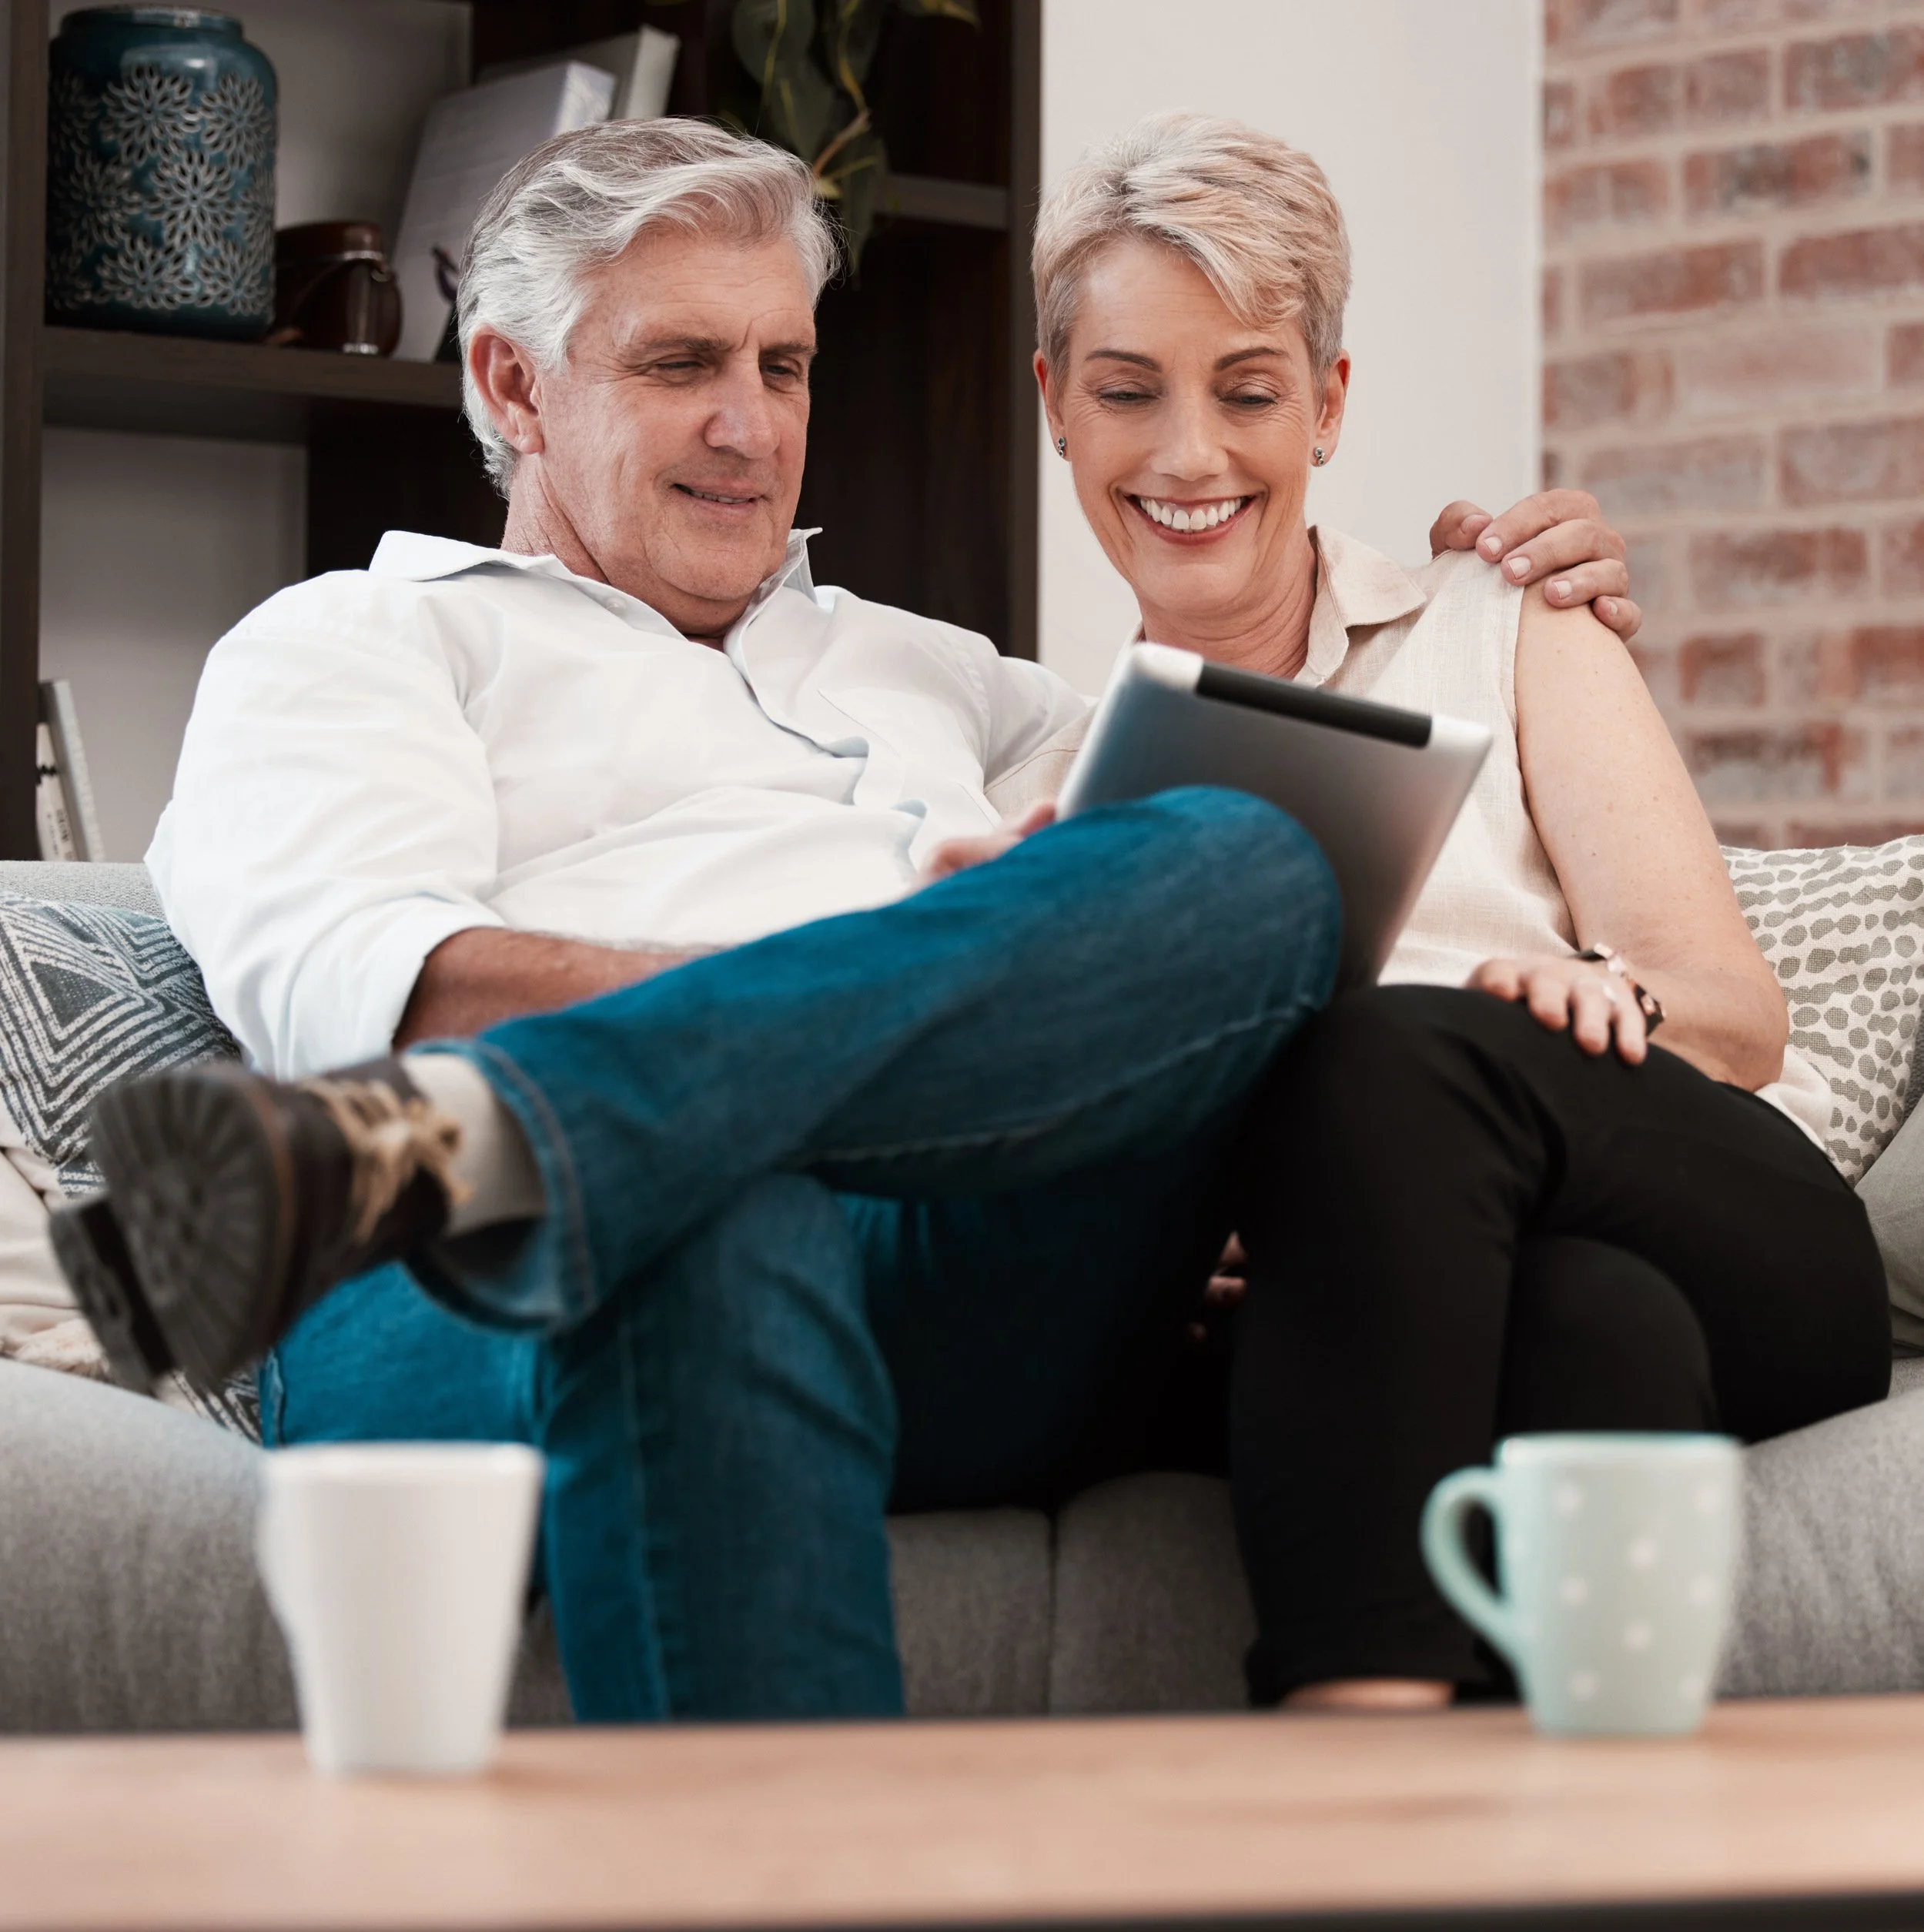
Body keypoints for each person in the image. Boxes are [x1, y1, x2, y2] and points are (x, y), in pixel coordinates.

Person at [55, 118, 1641, 1724]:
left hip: (946, 1276)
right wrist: (872, 1009)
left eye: (785, 366)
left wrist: (1498, 609)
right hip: (461, 1267)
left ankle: (509, 1131)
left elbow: (1201, 888)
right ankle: (499, 1156)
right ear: (512, 386)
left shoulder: (939, 669)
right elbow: (385, 989)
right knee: (710, 1216)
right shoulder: (354, 643)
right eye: (682, 363)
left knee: (1249, 854)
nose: (751, 425)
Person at [1016, 112, 1890, 1711]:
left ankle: (1357, 1734)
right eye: (1128, 390)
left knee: (1388, 1054)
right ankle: (1554, 1850)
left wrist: (1583, 1007)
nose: (1189, 454)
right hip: (1435, 1300)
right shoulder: (1063, 787)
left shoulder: (1506, 619)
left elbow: (1734, 1014)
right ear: (1057, 408)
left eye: (1249, 388)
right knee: (1585, 1327)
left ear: (1329, 404)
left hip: (1716, 1219)